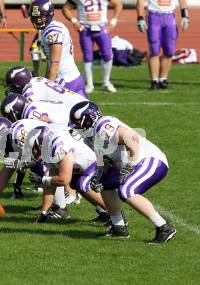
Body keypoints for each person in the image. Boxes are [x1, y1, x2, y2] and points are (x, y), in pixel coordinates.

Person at [69, 101, 176, 244]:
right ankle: (119, 227)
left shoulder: (104, 127)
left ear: (89, 120)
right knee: (104, 184)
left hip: (149, 160)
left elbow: (133, 139)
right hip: (134, 164)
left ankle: (164, 227)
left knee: (126, 190)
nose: (76, 127)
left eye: (78, 123)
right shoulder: (91, 137)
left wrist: (129, 167)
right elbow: (105, 160)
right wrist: (98, 174)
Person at [62, 0, 123, 93]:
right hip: (85, 29)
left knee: (107, 55)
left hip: (102, 28)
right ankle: (89, 84)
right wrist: (74, 21)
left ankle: (106, 82)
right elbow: (65, 9)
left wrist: (113, 22)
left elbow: (118, 4)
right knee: (87, 56)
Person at [29, 0, 86, 97]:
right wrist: (46, 81)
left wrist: (48, 88)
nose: (38, 20)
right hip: (74, 78)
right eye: (35, 17)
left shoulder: (52, 31)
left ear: (49, 15)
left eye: (41, 16)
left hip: (64, 82)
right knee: (85, 111)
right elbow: (50, 62)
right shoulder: (53, 27)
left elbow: (55, 63)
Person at [136, 0, 189, 90]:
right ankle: (154, 80)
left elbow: (182, 0)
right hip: (154, 16)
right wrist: (140, 17)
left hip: (169, 16)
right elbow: (140, 1)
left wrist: (185, 15)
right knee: (154, 50)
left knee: (169, 50)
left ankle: (163, 79)